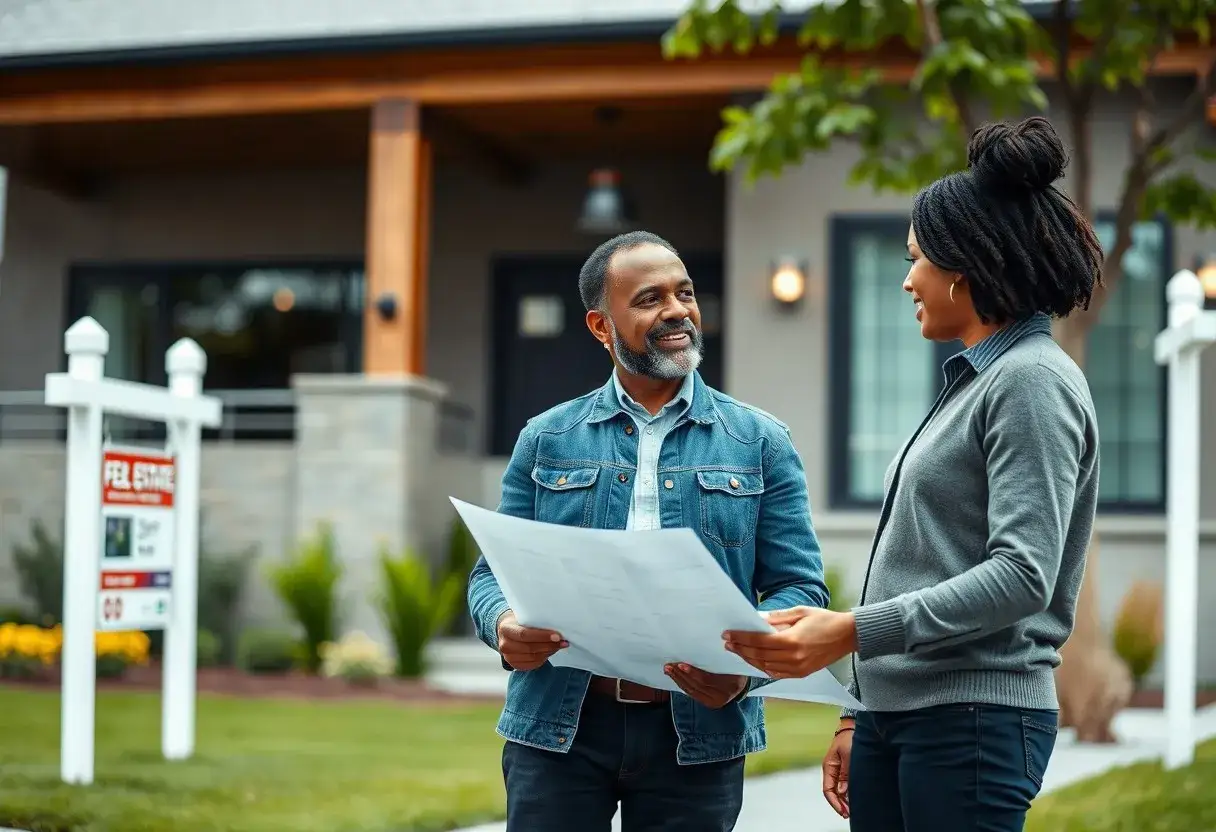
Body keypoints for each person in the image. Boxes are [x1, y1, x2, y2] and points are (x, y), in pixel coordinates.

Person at [721, 116, 1103, 831]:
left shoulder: (1030, 382)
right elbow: (921, 563)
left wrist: (851, 632)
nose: (906, 282)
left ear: (964, 268)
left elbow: (1023, 574)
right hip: (904, 717)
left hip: (973, 723)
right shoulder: (975, 381)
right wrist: (857, 710)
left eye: (916, 260)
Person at [467, 230, 830, 832]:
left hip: (699, 733)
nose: (677, 311)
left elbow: (800, 590)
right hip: (559, 727)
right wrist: (503, 623)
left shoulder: (761, 440)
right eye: (648, 299)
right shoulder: (546, 438)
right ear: (600, 326)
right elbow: (490, 576)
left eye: (684, 293)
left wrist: (744, 672)